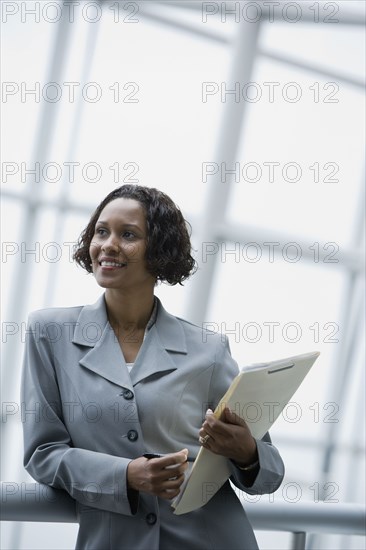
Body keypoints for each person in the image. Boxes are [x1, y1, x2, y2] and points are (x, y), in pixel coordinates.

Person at [21, 184, 285, 550]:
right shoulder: (49, 334)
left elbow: (270, 472)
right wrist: (127, 475)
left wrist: (246, 452)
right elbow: (42, 454)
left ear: (158, 251)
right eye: (101, 231)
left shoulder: (207, 349)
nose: (108, 245)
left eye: (127, 235)